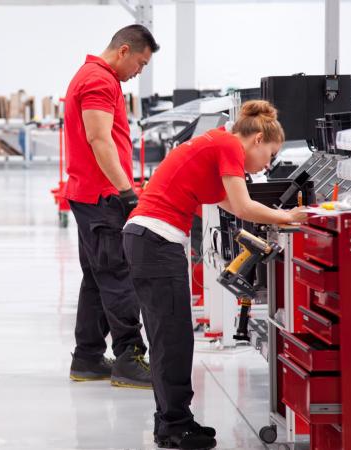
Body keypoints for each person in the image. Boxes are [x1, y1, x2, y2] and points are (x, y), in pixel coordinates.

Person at [122, 100, 308, 450]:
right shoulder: (227, 146)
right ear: (256, 140)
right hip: (154, 240)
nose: (267, 164)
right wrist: (292, 218)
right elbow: (242, 206)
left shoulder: (216, 142)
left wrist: (274, 214)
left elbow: (228, 201)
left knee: (172, 338)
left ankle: (174, 421)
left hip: (150, 240)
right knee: (172, 340)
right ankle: (174, 427)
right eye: (270, 155)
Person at [64, 24, 159, 389]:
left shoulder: (95, 77)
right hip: (102, 196)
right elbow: (99, 139)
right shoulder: (99, 81)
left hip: (90, 194)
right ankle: (129, 358)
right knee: (119, 276)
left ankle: (87, 357)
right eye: (141, 63)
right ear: (124, 51)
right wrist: (127, 192)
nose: (139, 71)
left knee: (97, 277)